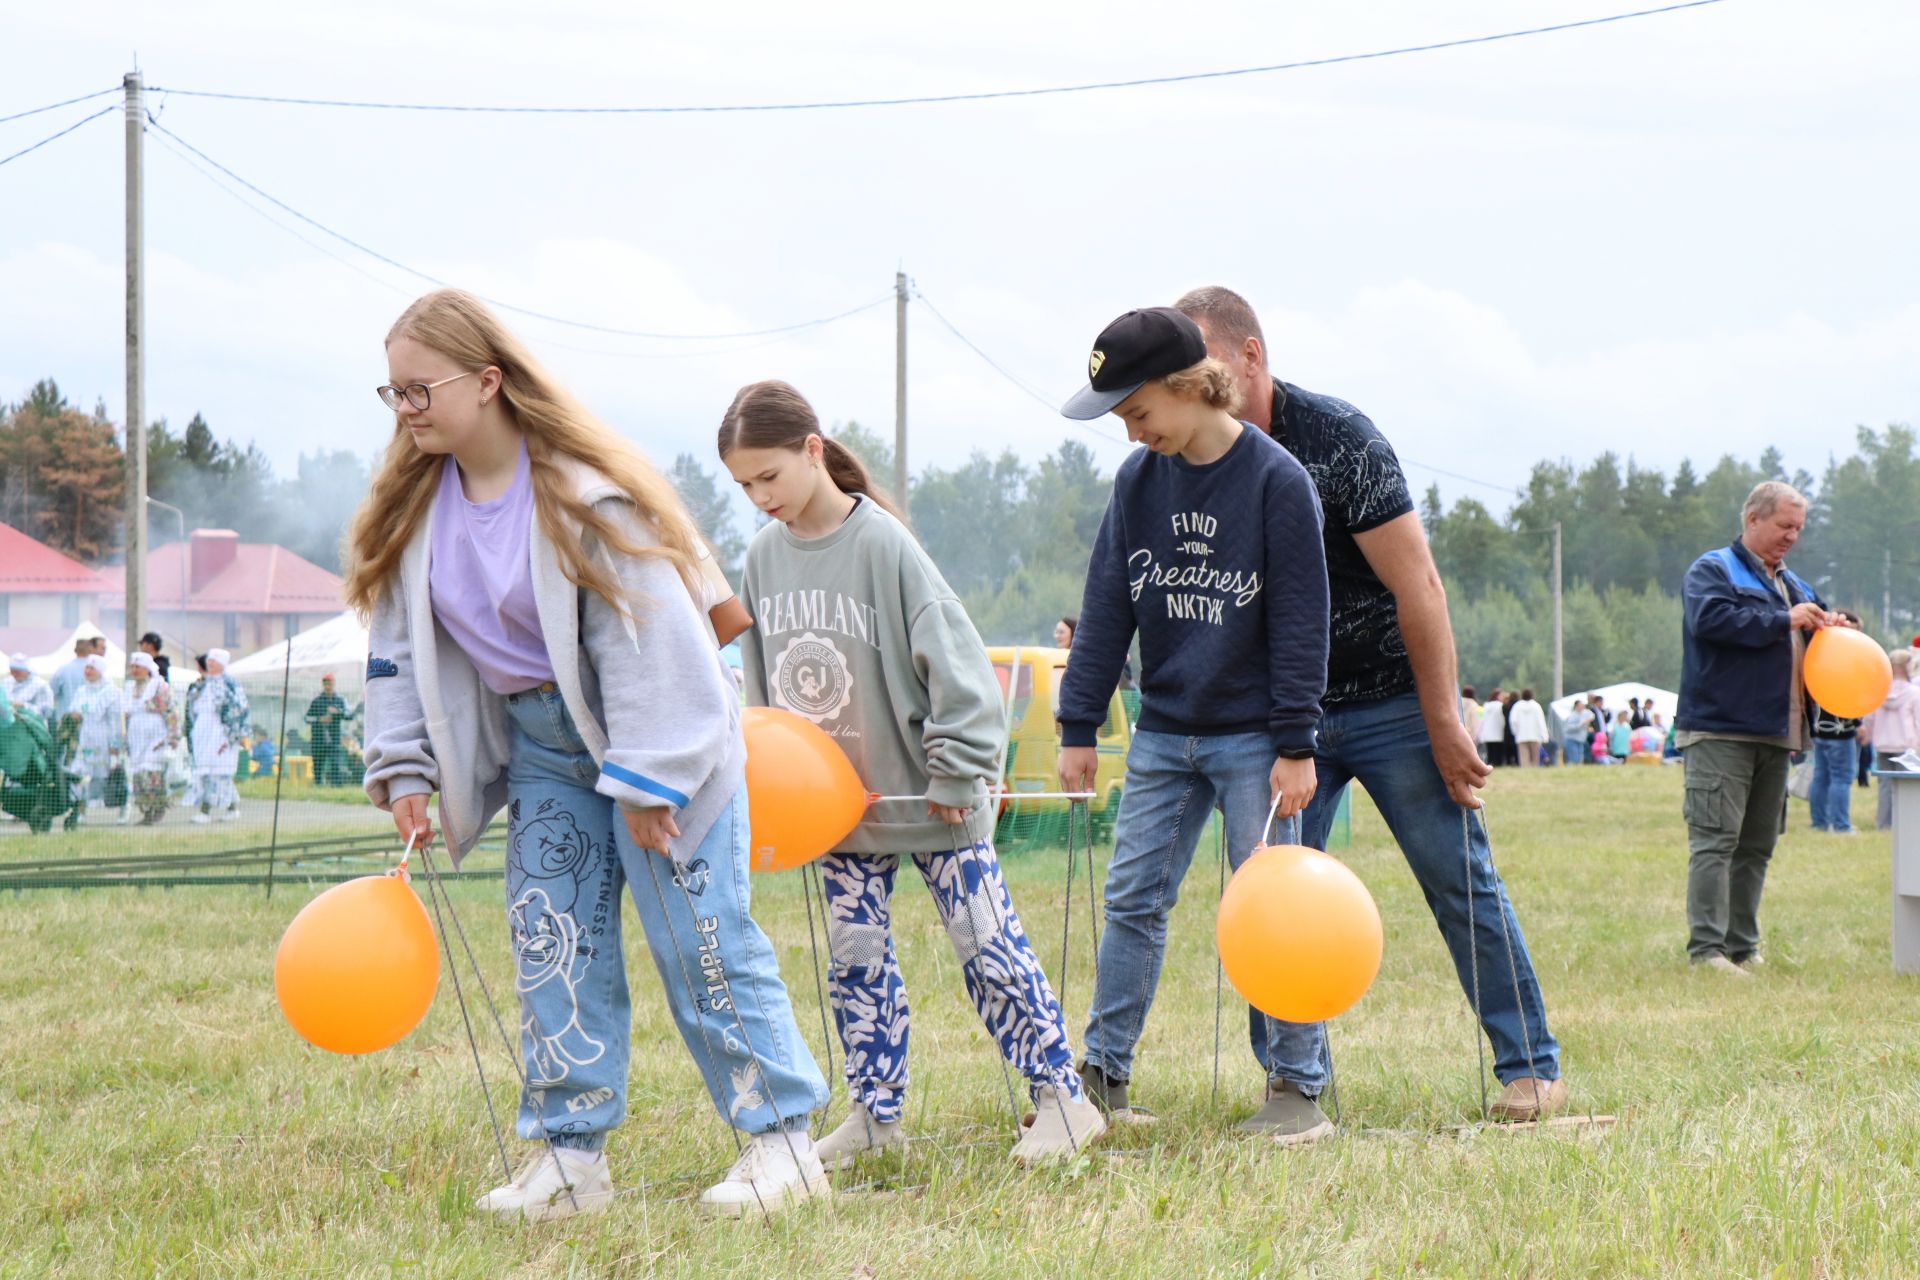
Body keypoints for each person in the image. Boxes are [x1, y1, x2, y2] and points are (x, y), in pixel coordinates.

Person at [350, 288, 829, 1221]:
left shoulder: (582, 494)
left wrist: (654, 779)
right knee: (551, 941)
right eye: (392, 394)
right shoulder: (417, 510)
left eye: (420, 391)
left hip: (660, 738)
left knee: (703, 941)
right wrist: (404, 764)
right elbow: (397, 647)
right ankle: (569, 1161)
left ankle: (783, 1144)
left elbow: (647, 636)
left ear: (487, 382)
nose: (404, 412)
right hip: (543, 752)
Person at [1176, 286, 1563, 1124]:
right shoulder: (1192, 456)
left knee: (1461, 880)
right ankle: (1289, 1082)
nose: (1187, 381)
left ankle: (1531, 1067)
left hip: (1390, 700)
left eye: (1200, 360)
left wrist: (1443, 722)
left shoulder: (1340, 441)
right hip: (1284, 718)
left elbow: (1418, 586)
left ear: (1250, 356)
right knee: (1266, 895)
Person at [723, 379, 1103, 1167]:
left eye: (769, 476)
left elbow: (960, 669)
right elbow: (761, 692)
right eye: (743, 485)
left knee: (988, 948)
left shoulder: (885, 546)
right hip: (834, 815)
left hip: (933, 802)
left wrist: (955, 774)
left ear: (813, 451)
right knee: (855, 965)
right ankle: (874, 1116)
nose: (760, 497)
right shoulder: (760, 561)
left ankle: (1062, 1098)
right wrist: (778, 789)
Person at [1047, 305, 1334, 1140]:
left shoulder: (1279, 483)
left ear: (1186, 386)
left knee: (1274, 908)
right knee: (1133, 897)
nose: (1133, 435)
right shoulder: (1138, 484)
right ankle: (1102, 1076)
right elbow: (1107, 610)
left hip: (1256, 740)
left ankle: (1295, 1089)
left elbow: (1300, 622)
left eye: (1138, 413)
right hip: (1166, 733)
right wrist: (1077, 726)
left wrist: (1294, 743)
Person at [1676, 481, 1842, 975]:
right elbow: (1711, 621)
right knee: (1715, 841)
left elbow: (1810, 636)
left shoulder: (1797, 585)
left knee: (1756, 847)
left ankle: (1742, 947)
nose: (1792, 536)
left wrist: (1831, 628)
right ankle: (1706, 951)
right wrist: (1782, 620)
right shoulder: (1712, 569)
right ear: (1753, 519)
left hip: (1779, 733)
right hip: (1721, 731)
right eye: (1784, 525)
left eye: (1798, 528)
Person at [1808, 609, 1866, 834]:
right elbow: (1852, 695)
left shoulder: (1823, 655)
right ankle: (1841, 824)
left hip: (1820, 728)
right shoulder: (1848, 661)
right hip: (1842, 731)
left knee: (1821, 776)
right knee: (1842, 778)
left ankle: (1819, 822)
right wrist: (1858, 722)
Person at [185, 649, 249, 824]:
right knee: (207, 772)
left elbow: (239, 711)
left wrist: (232, 736)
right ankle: (233, 808)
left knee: (218, 773)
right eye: (209, 661)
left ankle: (205, 811)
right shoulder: (203, 684)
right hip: (203, 733)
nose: (211, 664)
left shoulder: (230, 684)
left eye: (215, 661)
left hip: (220, 733)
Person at [1862, 648, 1920, 830]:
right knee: (1907, 787)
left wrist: (1868, 736)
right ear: (1907, 666)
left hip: (1883, 743)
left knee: (1885, 786)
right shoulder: (1914, 693)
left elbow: (1870, 717)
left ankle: (1884, 822)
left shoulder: (1880, 691)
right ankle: (1905, 822)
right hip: (1906, 745)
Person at [121, 652, 175, 825]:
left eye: (139, 667)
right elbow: (126, 714)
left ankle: (157, 807)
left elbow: (171, 712)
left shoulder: (158, 686)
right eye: (133, 667)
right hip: (136, 735)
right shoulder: (129, 687)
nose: (135, 670)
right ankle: (146, 810)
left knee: (150, 772)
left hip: (155, 733)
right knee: (137, 774)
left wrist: (173, 735)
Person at [69, 656, 122, 813]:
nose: (88, 671)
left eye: (92, 668)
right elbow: (73, 710)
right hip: (84, 738)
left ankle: (121, 806)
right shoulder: (81, 690)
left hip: (102, 739)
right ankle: (79, 809)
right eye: (86, 668)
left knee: (104, 774)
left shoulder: (111, 691)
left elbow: (114, 720)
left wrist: (115, 745)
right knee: (79, 772)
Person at [305, 674, 351, 786]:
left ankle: (335, 787)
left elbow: (349, 715)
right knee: (318, 764)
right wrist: (319, 719)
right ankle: (319, 785)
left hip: (334, 739)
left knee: (336, 763)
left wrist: (337, 712)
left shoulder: (340, 700)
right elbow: (307, 718)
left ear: (334, 684)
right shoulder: (316, 701)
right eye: (326, 684)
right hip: (318, 739)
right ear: (323, 685)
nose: (328, 686)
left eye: (330, 684)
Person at [50, 636, 96, 721]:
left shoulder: (62, 670)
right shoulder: (97, 671)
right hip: (89, 721)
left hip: (65, 720)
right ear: (91, 651)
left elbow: (51, 693)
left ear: (75, 651)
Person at [6, 655, 53, 723]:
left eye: (17, 672)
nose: (13, 674)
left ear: (26, 670)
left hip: (33, 729)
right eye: (11, 671)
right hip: (9, 730)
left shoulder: (41, 685)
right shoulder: (7, 682)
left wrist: (23, 705)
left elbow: (47, 713)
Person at [1510, 688, 1547, 769]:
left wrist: (1515, 732)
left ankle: (1525, 772)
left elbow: (1513, 721)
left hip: (1521, 736)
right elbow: (1541, 721)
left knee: (1524, 758)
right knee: (1535, 757)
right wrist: (1544, 735)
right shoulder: (1536, 706)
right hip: (1535, 736)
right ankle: (1534, 771)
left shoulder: (1517, 706)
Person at [1477, 688, 1507, 765]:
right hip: (1498, 731)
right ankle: (1498, 763)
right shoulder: (1501, 705)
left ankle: (1490, 763)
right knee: (1497, 750)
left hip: (1487, 732)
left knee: (1490, 751)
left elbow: (1481, 718)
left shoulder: (1486, 705)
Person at [1563, 699, 1589, 767]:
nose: (1583, 707)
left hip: (1579, 740)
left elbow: (1592, 715)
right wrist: (1580, 725)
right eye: (1581, 706)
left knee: (1579, 759)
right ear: (1576, 706)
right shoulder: (1572, 716)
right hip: (1571, 739)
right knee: (1574, 759)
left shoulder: (1583, 715)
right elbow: (1568, 728)